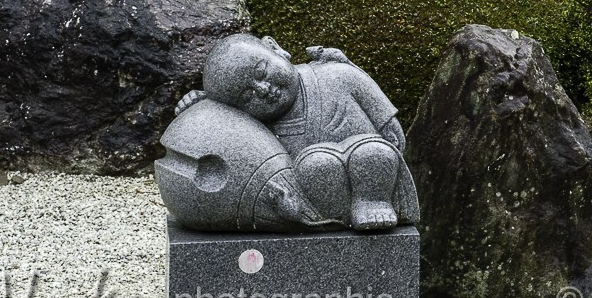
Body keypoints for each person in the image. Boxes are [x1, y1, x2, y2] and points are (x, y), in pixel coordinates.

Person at [169, 34, 418, 232]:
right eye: (247, 97)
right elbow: (221, 129)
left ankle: (374, 202)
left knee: (373, 152)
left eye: (261, 72)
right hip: (320, 190)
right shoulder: (261, 128)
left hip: (374, 172)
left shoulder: (338, 75)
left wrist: (388, 148)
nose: (263, 89)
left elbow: (393, 135)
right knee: (315, 165)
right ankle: (337, 216)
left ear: (275, 47)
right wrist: (203, 105)